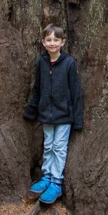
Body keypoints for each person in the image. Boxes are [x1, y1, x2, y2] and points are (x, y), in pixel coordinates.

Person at [23, 23, 83, 204]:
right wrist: (31, 110)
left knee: (59, 147)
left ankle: (56, 182)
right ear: (43, 42)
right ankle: (46, 177)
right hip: (46, 115)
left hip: (64, 116)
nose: (52, 43)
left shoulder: (69, 63)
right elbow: (37, 89)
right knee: (48, 146)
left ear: (62, 42)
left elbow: (76, 93)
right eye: (48, 40)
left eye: (56, 40)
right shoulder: (41, 62)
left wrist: (77, 120)